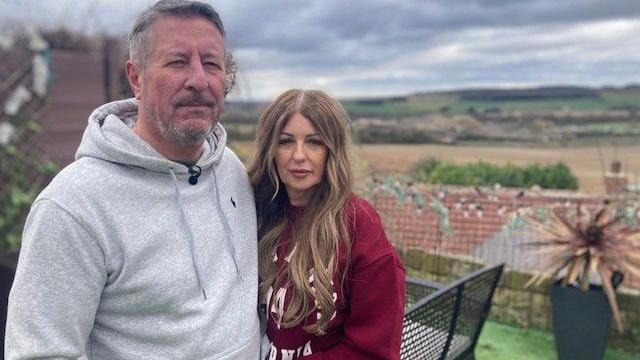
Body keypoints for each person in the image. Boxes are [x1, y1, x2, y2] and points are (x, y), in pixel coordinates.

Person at [5, 1, 260, 358]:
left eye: (212, 64)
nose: (199, 80)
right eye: (177, 62)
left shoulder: (231, 170)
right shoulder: (73, 207)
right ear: (136, 78)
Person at [249, 89, 406, 359]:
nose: (299, 155)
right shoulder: (256, 210)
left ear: (331, 150)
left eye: (314, 142)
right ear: (270, 150)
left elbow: (373, 350)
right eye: (286, 142)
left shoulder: (358, 225)